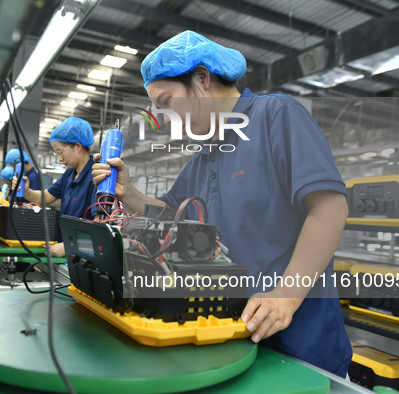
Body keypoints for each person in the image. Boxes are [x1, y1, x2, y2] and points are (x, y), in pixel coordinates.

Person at [92, 30, 352, 377]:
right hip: (233, 342)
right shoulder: (203, 157)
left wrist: (286, 296)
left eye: (168, 102)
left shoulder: (277, 115)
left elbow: (330, 208)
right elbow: (173, 217)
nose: (168, 118)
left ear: (202, 78)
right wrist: (131, 193)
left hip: (302, 351)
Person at [17, 116, 97, 257]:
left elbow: (99, 226)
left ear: (78, 146)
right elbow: (46, 197)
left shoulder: (96, 175)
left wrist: (67, 247)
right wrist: (27, 191)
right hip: (65, 248)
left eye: (60, 152)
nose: (59, 159)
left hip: (84, 255)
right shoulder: (69, 174)